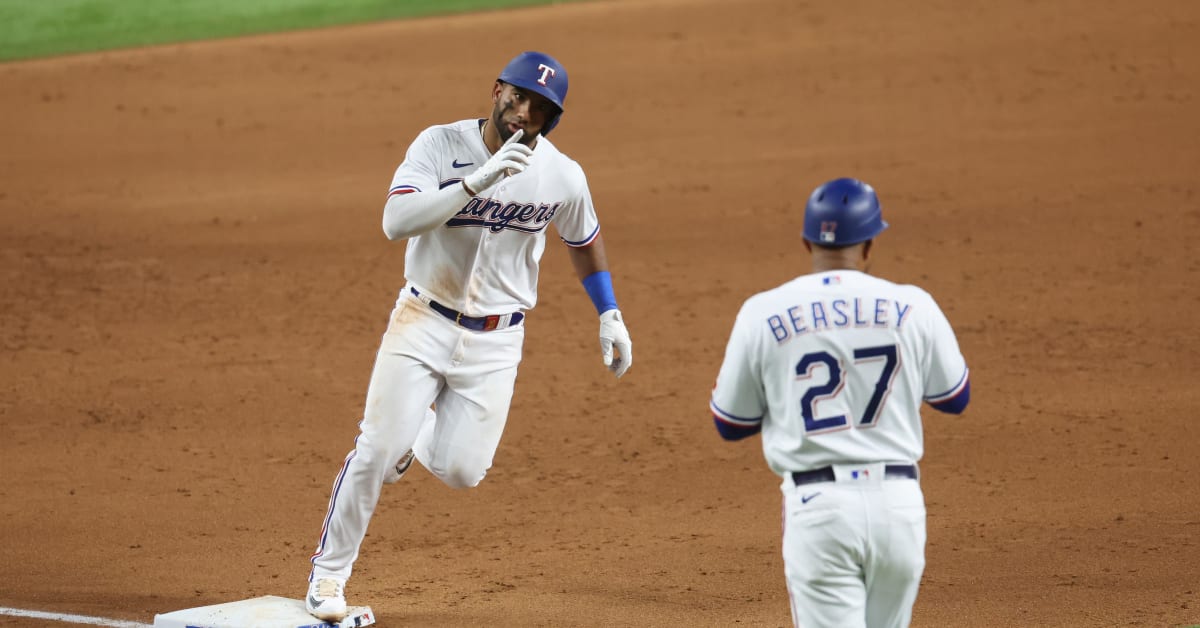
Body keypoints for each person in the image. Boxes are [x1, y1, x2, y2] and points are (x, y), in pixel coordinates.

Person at [304, 51, 633, 622]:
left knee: (461, 471)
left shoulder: (562, 174)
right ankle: (328, 580)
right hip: (422, 320)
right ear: (497, 90)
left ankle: (417, 438)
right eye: (519, 97)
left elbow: (584, 240)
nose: (524, 113)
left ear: (553, 118)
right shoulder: (437, 145)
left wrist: (609, 313)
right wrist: (471, 185)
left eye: (540, 108)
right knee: (374, 450)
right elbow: (395, 223)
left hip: (497, 342)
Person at [708, 177, 970, 628]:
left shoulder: (762, 311)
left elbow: (730, 423)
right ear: (869, 245)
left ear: (807, 242)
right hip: (899, 509)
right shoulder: (914, 305)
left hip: (820, 511)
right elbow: (954, 398)